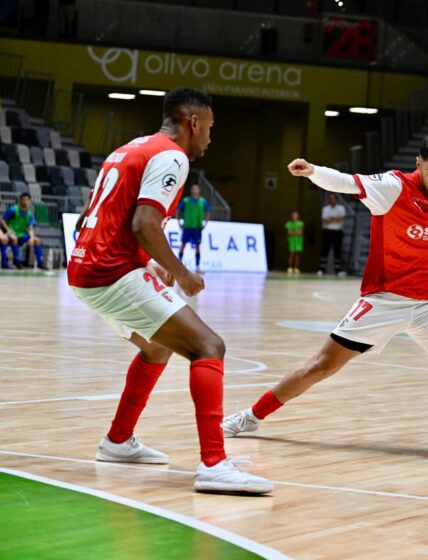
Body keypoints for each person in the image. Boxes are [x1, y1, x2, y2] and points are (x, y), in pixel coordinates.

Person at [222, 133, 428, 465]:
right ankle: (251, 415)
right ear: (418, 165)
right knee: (320, 366)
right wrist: (313, 171)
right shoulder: (393, 187)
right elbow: (347, 183)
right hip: (385, 300)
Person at [68, 87, 272, 494]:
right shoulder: (172, 156)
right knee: (209, 347)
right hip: (109, 272)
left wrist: (147, 263)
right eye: (210, 128)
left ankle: (118, 441)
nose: (211, 138)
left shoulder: (128, 149)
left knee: (157, 346)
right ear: (192, 123)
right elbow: (144, 224)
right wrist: (182, 273)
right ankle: (214, 464)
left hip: (87, 267)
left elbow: (88, 223)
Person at [0, 193, 46, 270]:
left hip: (21, 234)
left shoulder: (29, 214)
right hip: (11, 233)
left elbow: (30, 227)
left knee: (37, 240)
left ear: (30, 201)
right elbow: (3, 220)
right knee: (14, 238)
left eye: (27, 200)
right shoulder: (13, 209)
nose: (25, 201)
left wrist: (31, 237)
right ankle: (16, 262)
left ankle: (40, 263)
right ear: (20, 200)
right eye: (23, 199)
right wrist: (8, 230)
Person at [176, 183, 210, 273]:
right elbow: (178, 210)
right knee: (183, 245)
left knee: (197, 246)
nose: (195, 190)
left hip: (197, 228)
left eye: (196, 189)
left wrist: (205, 223)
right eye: (193, 189)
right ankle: (179, 265)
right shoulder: (186, 201)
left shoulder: (203, 202)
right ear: (191, 190)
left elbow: (207, 213)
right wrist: (179, 222)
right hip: (187, 227)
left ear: (199, 190)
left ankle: (197, 266)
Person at [319, 193, 346, 275]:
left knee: (337, 250)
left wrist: (331, 218)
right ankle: (321, 269)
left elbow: (342, 218)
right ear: (328, 200)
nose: (332, 200)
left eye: (333, 198)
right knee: (324, 250)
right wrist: (336, 218)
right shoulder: (325, 208)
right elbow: (324, 219)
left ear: (336, 199)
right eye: (330, 198)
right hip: (327, 231)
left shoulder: (341, 208)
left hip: (337, 232)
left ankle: (338, 270)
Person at [285, 210, 304, 275]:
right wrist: (296, 232)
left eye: (295, 215)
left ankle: (296, 268)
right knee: (291, 254)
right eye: (293, 215)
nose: (294, 216)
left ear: (298, 216)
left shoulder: (300, 223)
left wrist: (293, 233)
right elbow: (289, 233)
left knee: (297, 255)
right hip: (291, 241)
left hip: (298, 241)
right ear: (291, 216)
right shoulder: (288, 223)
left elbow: (300, 233)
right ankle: (289, 267)